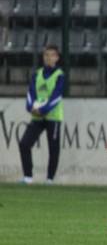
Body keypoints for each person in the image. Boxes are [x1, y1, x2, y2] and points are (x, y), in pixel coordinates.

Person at [19, 45, 65, 185]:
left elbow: (56, 97)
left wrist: (43, 109)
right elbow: (31, 93)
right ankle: (28, 177)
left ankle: (49, 179)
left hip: (53, 117)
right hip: (37, 116)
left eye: (52, 55)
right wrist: (30, 107)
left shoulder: (59, 75)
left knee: (53, 148)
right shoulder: (37, 74)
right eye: (46, 55)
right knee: (24, 144)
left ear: (57, 58)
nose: (48, 58)